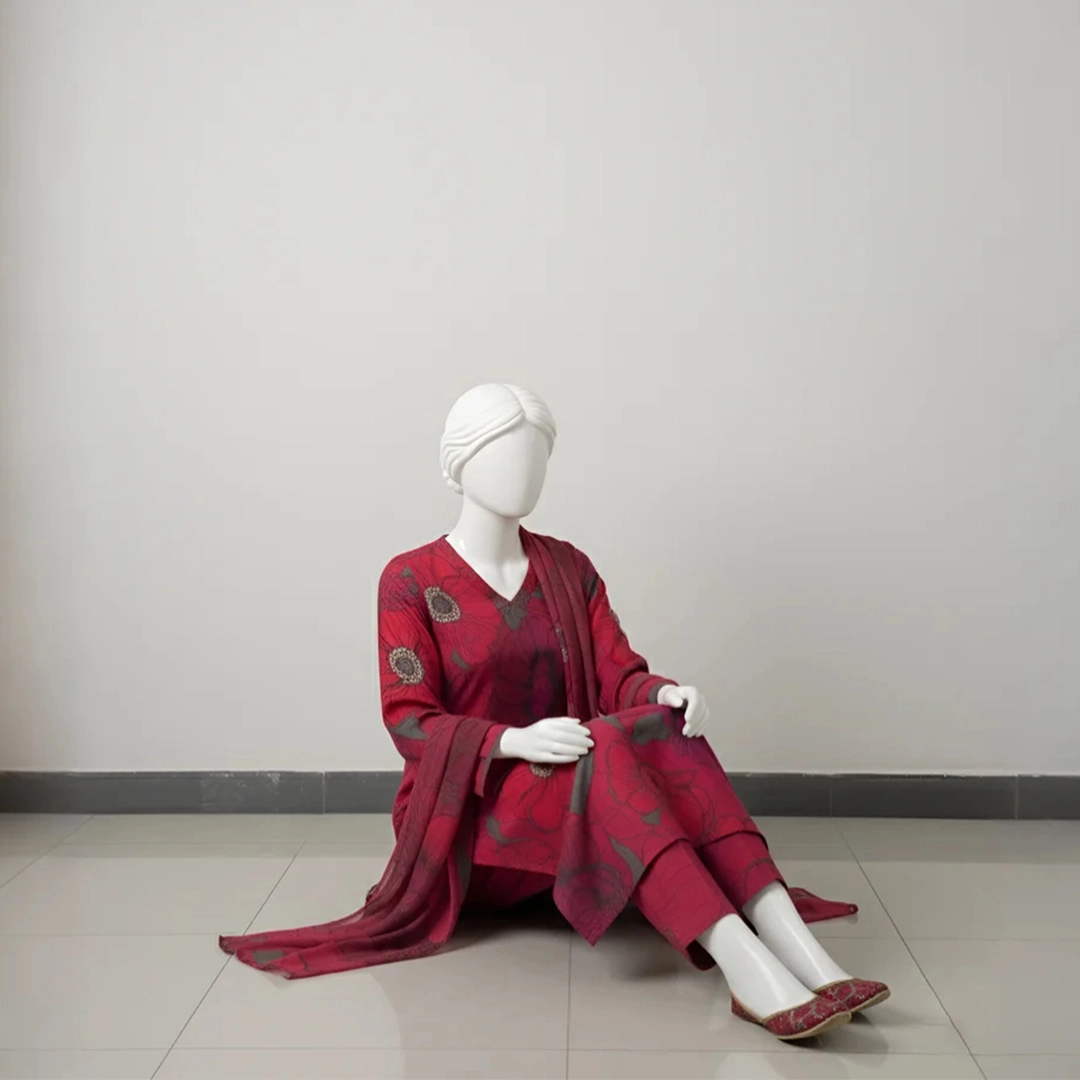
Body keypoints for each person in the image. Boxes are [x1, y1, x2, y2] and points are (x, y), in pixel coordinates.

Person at [221, 384, 888, 1041]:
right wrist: (513, 741)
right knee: (604, 750)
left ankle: (799, 949)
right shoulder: (410, 580)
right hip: (472, 816)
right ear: (458, 463)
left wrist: (662, 694)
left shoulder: (569, 567)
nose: (524, 470)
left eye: (537, 455)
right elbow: (408, 718)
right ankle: (745, 965)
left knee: (662, 728)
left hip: (579, 786)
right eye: (504, 452)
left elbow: (617, 675)